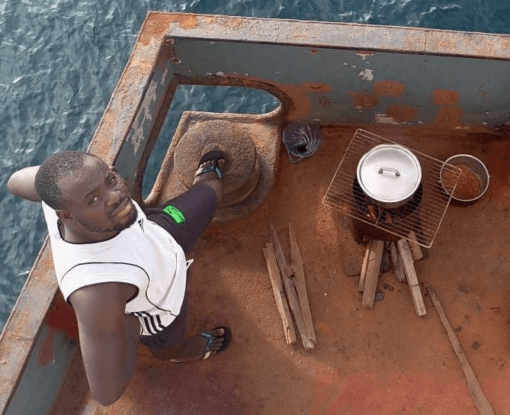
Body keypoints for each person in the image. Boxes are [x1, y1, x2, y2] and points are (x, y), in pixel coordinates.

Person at [6, 149, 232, 406]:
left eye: (110, 180)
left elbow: (15, 181)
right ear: (67, 216)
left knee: (212, 190)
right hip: (164, 304)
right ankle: (180, 353)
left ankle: (205, 179)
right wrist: (131, 325)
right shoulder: (98, 291)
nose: (114, 197)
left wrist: (46, 180)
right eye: (93, 200)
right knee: (170, 344)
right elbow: (106, 393)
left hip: (157, 232)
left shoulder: (65, 197)